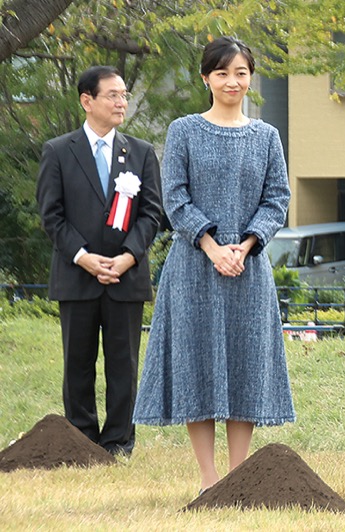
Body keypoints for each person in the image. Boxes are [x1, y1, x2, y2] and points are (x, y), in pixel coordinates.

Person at [133, 36, 293, 492]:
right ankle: (209, 480)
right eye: (222, 73)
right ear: (206, 78)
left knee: (245, 365)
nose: (232, 81)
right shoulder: (183, 130)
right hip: (193, 268)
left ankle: (238, 477)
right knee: (196, 366)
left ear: (251, 78)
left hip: (248, 268)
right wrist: (210, 245)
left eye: (241, 73)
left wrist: (244, 245)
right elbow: (175, 197)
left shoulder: (267, 137)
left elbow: (277, 199)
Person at [36, 66, 163, 457]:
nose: (121, 102)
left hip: (126, 277)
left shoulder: (140, 152)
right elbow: (51, 215)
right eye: (113, 95)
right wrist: (83, 257)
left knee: (124, 364)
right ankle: (82, 441)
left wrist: (127, 257)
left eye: (124, 95)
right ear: (86, 100)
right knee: (78, 364)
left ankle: (119, 442)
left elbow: (152, 213)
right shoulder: (58, 151)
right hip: (77, 276)